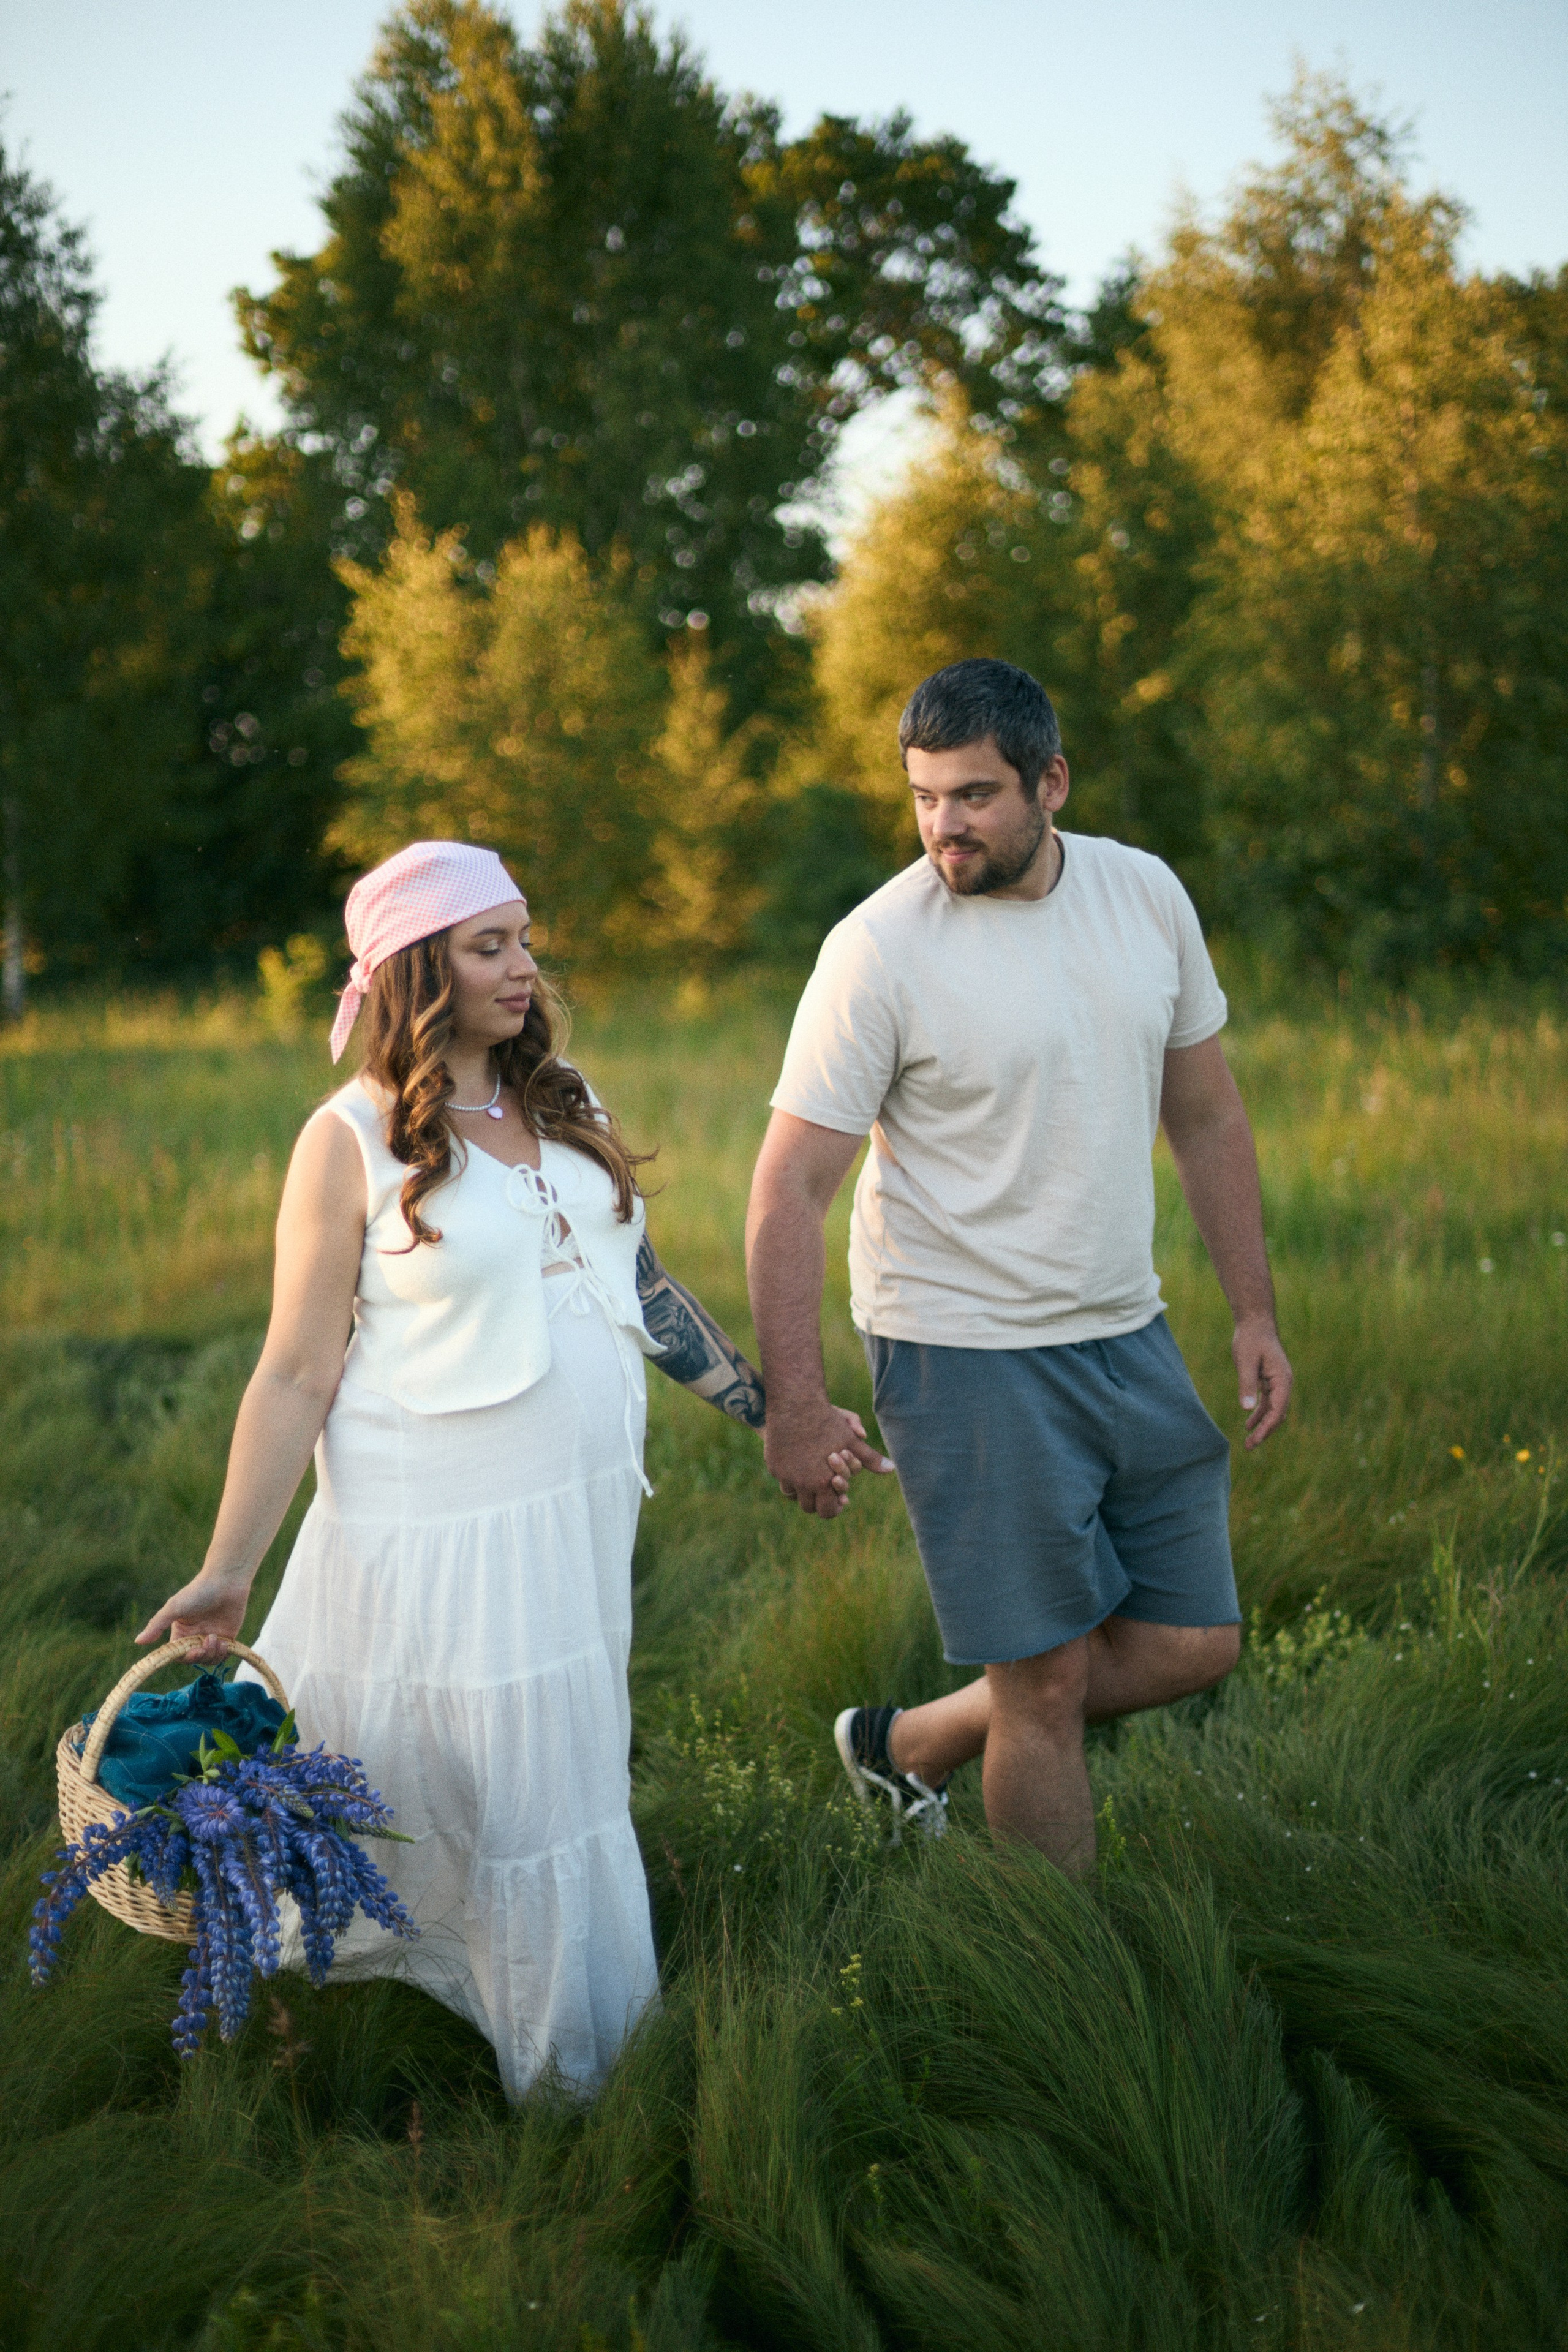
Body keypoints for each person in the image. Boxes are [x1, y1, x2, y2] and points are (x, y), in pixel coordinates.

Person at [136, 840, 863, 2098]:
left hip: (571, 1512)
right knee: (517, 1782)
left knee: (550, 1756)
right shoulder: (349, 1139)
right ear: (421, 968)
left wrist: (770, 1409)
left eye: (525, 939)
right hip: (441, 1518)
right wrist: (225, 1569)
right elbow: (295, 1371)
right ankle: (578, 2081)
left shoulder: (561, 1094)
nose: (524, 967)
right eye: (491, 946)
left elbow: (634, 1281)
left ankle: (540, 2035)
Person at [745, 660, 1292, 1874]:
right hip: (961, 1349)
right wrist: (795, 1401)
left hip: (1122, 1327)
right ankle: (1062, 1982)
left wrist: (1251, 1312)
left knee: (1196, 1640)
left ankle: (905, 1744)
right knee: (1040, 1682)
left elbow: (1203, 1117)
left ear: (1049, 782)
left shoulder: (1143, 895)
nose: (945, 824)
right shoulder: (876, 949)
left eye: (975, 795)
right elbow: (788, 1185)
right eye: (926, 796)